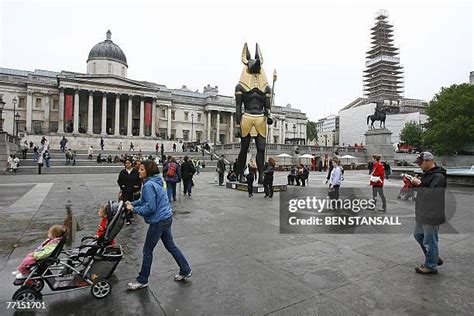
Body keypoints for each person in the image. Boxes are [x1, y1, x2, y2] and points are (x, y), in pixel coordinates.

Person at [126, 160, 192, 290]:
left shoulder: (149, 185)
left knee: (147, 250)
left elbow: (150, 207)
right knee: (171, 246)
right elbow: (144, 200)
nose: (139, 171)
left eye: (142, 169)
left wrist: (133, 209)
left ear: (148, 171)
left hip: (159, 221)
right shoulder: (156, 181)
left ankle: (142, 279)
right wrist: (133, 203)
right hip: (166, 217)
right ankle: (185, 269)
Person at [410, 152, 446, 274]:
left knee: (430, 241)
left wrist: (419, 184)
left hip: (432, 214)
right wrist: (414, 183)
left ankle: (431, 266)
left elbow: (433, 196)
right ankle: (434, 257)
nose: (419, 165)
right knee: (418, 235)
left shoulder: (438, 177)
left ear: (428, 161)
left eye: (420, 163)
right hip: (423, 212)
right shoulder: (428, 174)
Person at [118, 158, 141, 225]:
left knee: (132, 203)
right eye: (126, 163)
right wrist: (122, 186)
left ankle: (131, 215)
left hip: (133, 191)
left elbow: (139, 180)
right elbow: (119, 180)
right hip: (125, 191)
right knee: (126, 204)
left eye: (129, 163)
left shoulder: (136, 171)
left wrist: (137, 186)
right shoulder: (122, 172)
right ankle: (128, 219)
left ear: (131, 164)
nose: (127, 164)